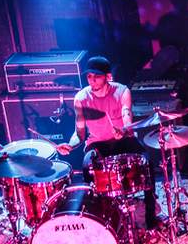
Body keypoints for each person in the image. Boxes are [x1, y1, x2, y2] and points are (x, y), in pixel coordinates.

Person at [57, 56, 160, 229]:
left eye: (96, 76)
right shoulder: (80, 98)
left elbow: (127, 114)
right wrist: (71, 145)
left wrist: (124, 129)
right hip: (98, 143)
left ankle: (150, 217)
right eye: (89, 76)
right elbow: (79, 133)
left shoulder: (122, 91)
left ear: (108, 76)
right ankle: (99, 218)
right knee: (87, 165)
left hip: (124, 139)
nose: (92, 80)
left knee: (147, 162)